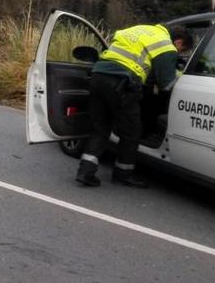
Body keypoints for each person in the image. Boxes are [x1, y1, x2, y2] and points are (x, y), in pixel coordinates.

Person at [76, 24, 193, 188]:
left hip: (98, 76)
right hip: (121, 84)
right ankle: (123, 174)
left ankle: (85, 172)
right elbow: (166, 84)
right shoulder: (166, 45)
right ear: (179, 42)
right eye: (181, 50)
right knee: (132, 131)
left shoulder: (141, 29)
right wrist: (180, 76)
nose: (179, 53)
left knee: (100, 127)